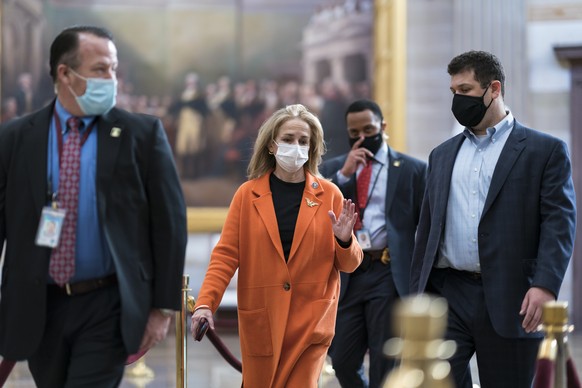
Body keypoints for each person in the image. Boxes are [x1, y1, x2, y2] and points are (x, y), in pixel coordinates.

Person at [0, 26, 187, 387]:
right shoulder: (16, 138)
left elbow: (170, 223)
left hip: (108, 303)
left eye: (114, 69)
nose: (111, 79)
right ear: (65, 74)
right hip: (40, 304)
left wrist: (163, 308)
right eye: (101, 69)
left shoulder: (141, 135)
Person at [409, 50, 576, 388]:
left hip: (512, 296)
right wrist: (417, 293)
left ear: (494, 89)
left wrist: (544, 285)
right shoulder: (441, 155)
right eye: (453, 91)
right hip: (447, 294)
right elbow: (427, 229)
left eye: (466, 90)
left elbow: (559, 223)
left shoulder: (544, 151)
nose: (457, 99)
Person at [190, 103, 363, 387]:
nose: (296, 146)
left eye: (303, 141)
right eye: (288, 139)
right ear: (272, 145)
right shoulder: (247, 195)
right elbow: (225, 256)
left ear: (311, 147)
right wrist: (206, 303)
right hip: (262, 319)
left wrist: (345, 240)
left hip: (311, 322)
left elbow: (350, 264)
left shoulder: (329, 193)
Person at [319, 99, 427, 388]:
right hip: (347, 273)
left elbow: (426, 226)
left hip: (387, 272)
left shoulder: (412, 170)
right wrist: (344, 175)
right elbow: (319, 214)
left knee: (385, 358)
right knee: (341, 358)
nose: (363, 137)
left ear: (383, 126)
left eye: (369, 128)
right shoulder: (333, 170)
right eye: (355, 132)